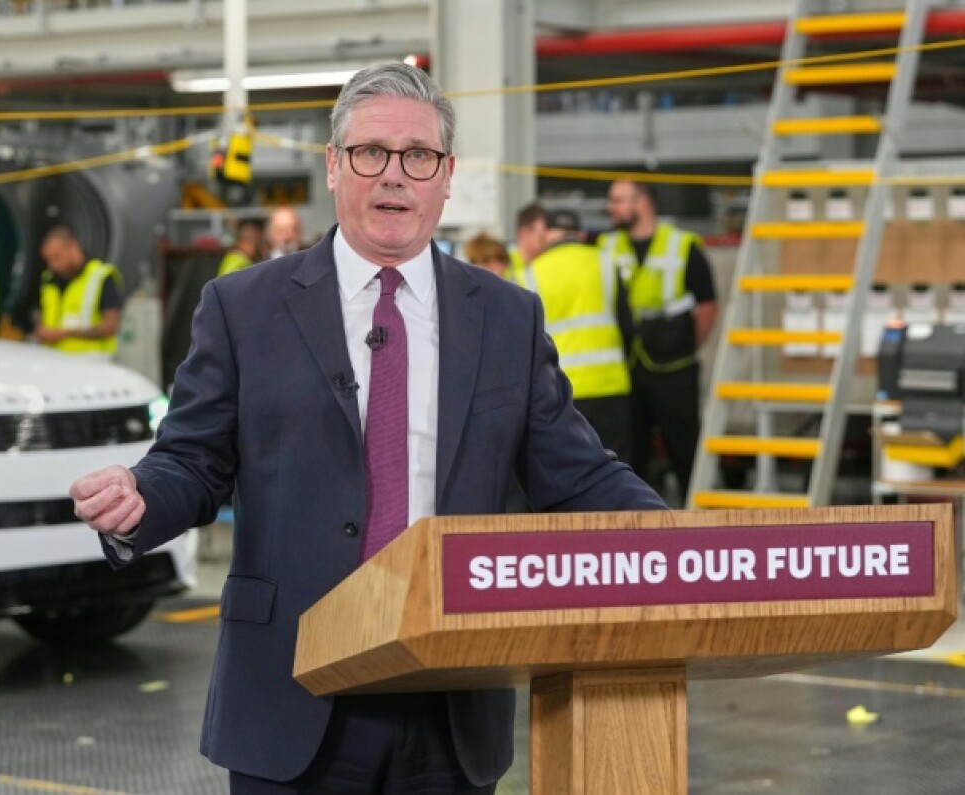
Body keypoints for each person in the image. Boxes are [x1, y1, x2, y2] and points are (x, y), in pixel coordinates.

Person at [70, 63, 666, 794]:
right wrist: (140, 494)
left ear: (445, 176)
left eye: (418, 156)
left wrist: (682, 543)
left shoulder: (507, 316)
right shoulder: (243, 306)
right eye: (370, 153)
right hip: (292, 689)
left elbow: (578, 473)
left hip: (449, 700)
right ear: (332, 165)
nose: (394, 176)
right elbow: (191, 461)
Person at [598, 179, 719, 502]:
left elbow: (707, 305)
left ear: (643, 202)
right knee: (630, 456)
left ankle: (697, 520)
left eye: (618, 200)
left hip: (674, 369)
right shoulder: (605, 248)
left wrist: (686, 346)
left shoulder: (682, 245)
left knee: (685, 449)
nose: (611, 208)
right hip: (628, 369)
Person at [513, 210, 632, 463]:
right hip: (610, 388)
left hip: (558, 392)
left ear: (546, 235)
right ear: (581, 234)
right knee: (617, 474)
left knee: (568, 475)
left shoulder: (529, 274)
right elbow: (628, 326)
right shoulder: (605, 263)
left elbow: (521, 343)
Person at [36, 225, 123, 356]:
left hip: (91, 362)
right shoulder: (49, 279)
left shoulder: (100, 276)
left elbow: (110, 327)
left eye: (57, 257)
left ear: (72, 246)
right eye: (48, 260)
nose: (53, 265)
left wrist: (64, 334)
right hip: (53, 361)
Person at [507, 201, 551, 279]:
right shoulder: (504, 264)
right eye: (541, 238)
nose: (548, 240)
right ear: (523, 233)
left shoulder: (547, 263)